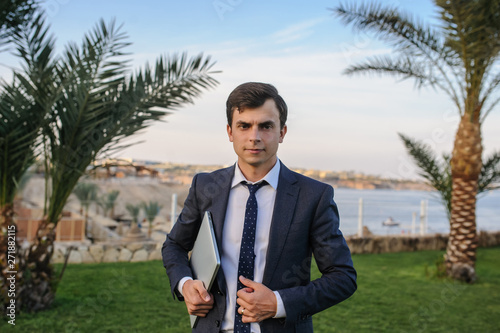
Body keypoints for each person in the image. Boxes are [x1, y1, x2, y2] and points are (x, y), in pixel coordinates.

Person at [162, 82, 356, 332]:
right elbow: (175, 245)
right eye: (244, 126)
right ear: (230, 132)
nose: (254, 136)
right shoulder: (205, 186)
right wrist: (185, 284)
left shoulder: (314, 196)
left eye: (266, 126)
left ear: (282, 132)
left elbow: (342, 277)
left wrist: (278, 303)